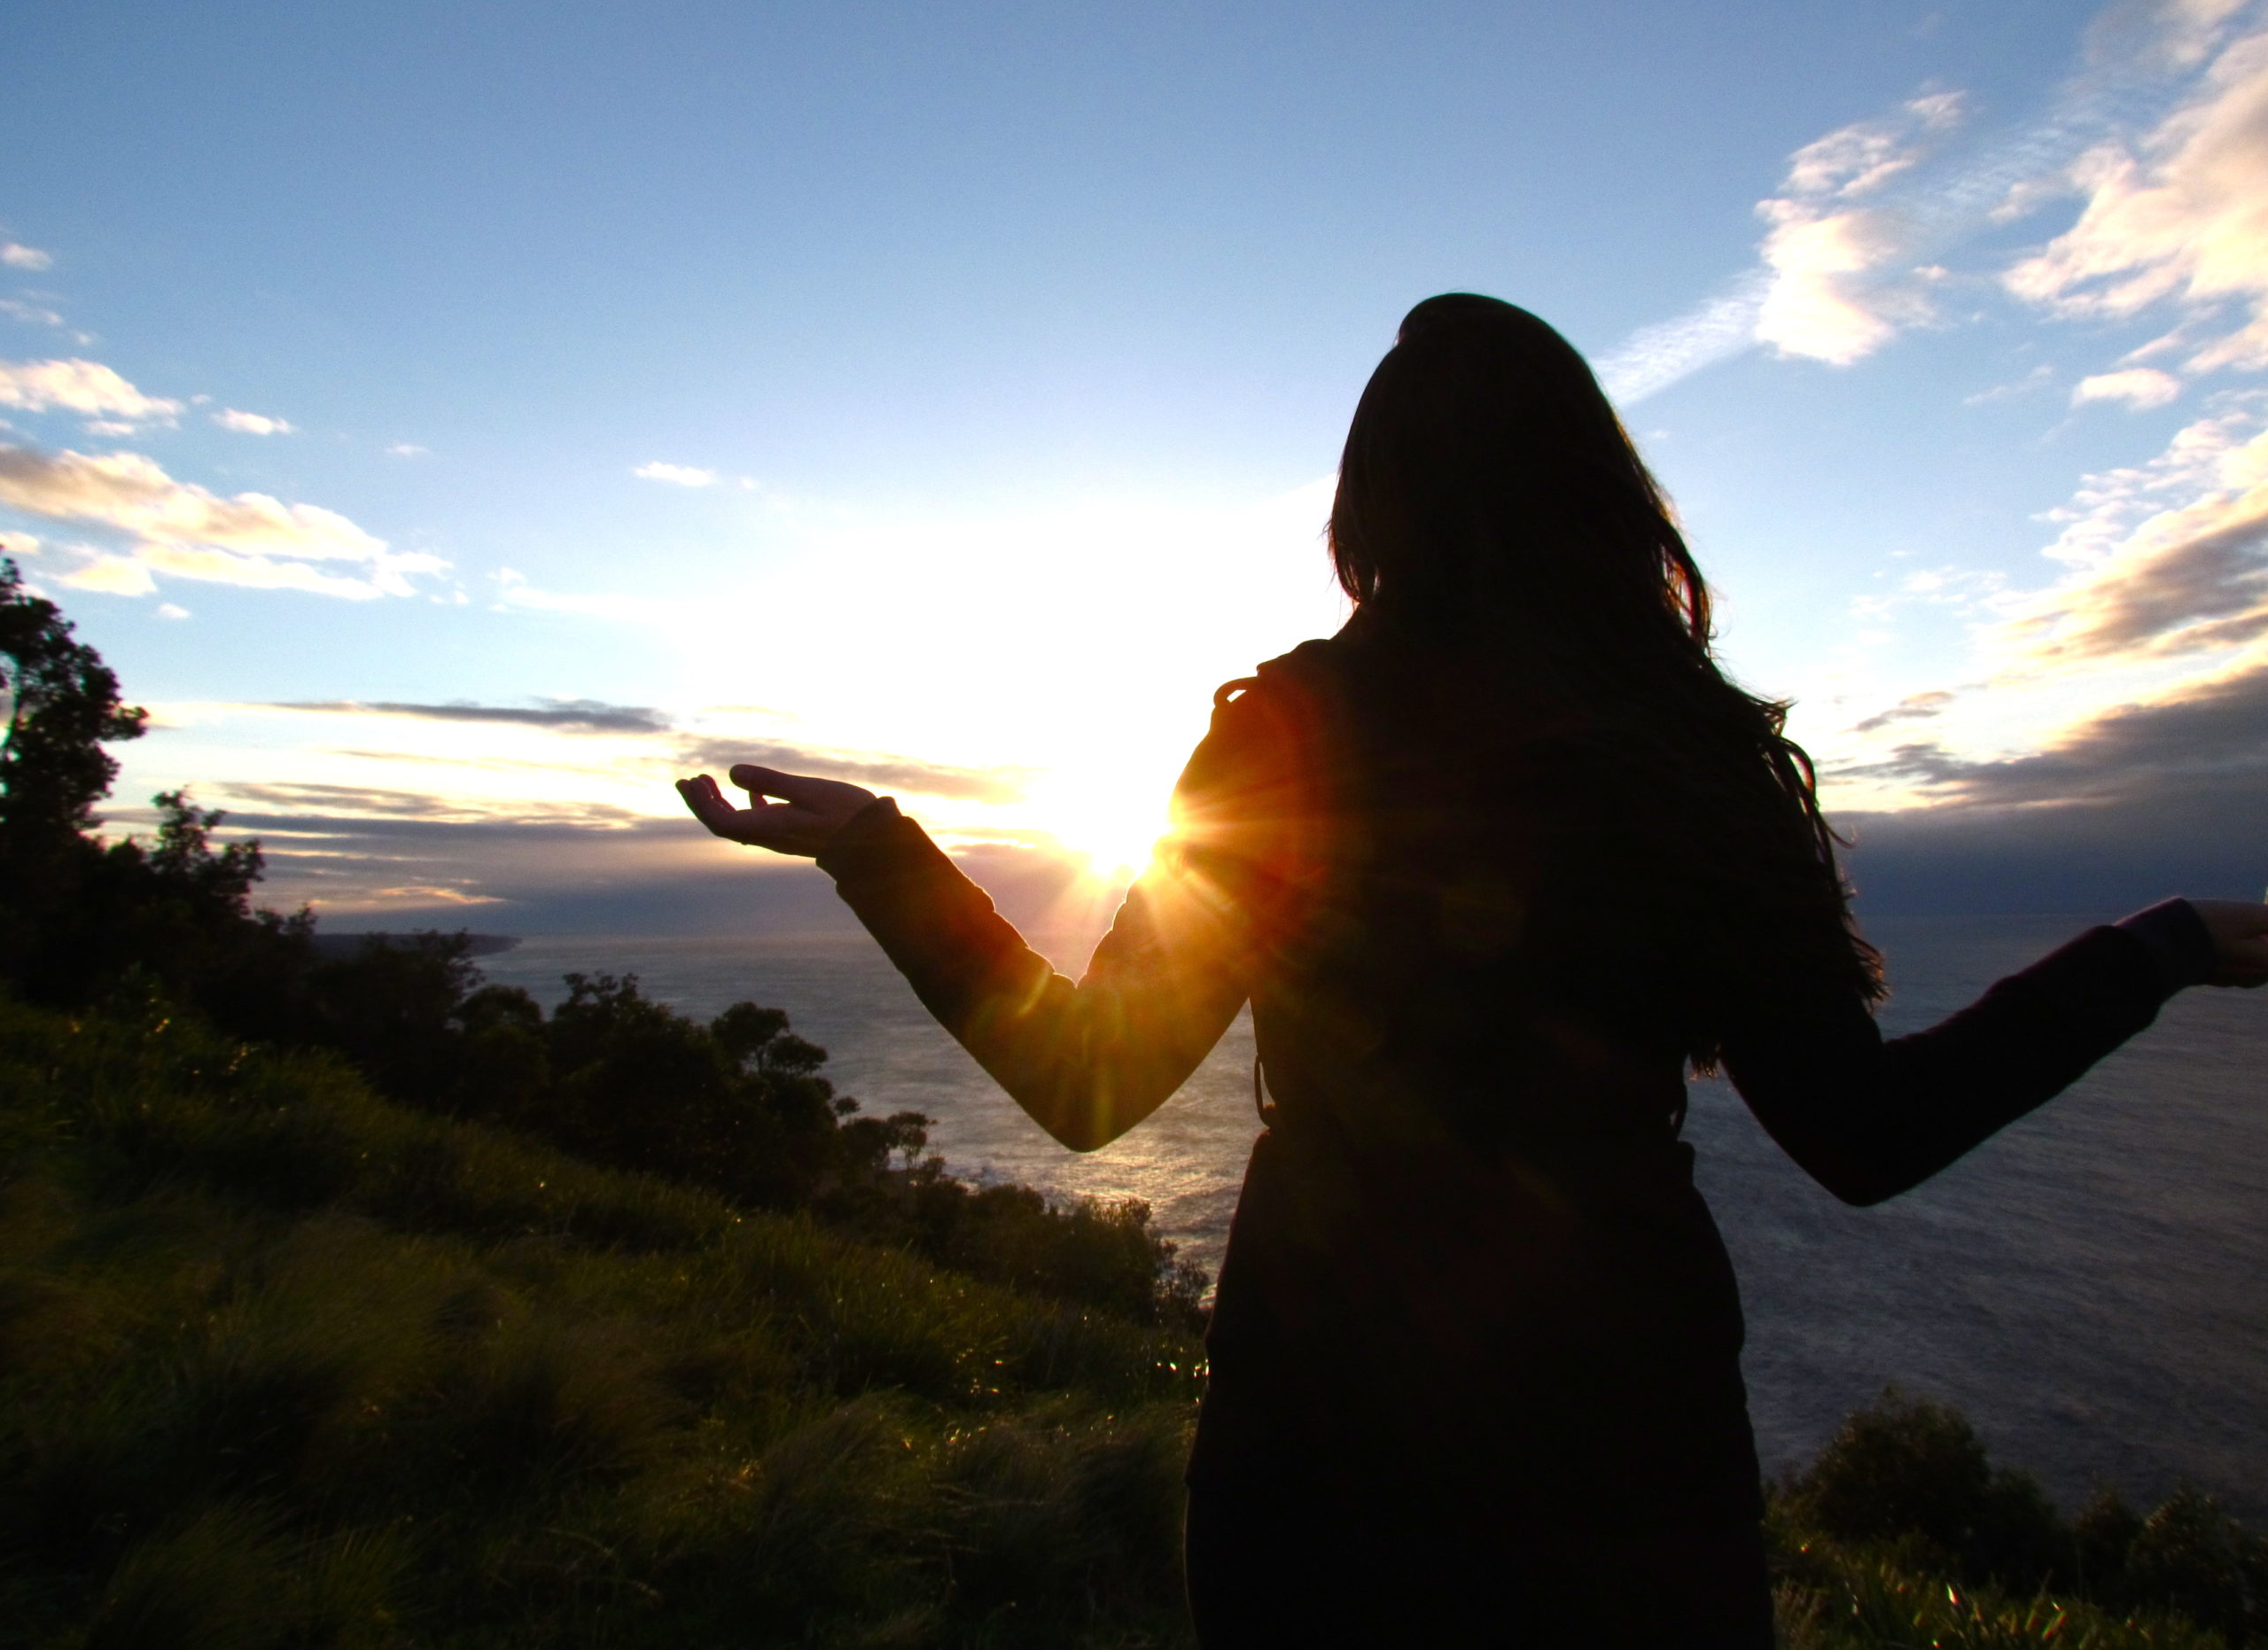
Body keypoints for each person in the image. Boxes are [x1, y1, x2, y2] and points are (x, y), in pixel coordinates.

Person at [677, 293, 2268, 1646]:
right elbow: (1868, 1135)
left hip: (1320, 1416)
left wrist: (879, 852)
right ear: (1603, 498)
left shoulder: (1287, 738)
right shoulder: (1686, 754)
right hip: (1618, 1424)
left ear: (1368, 511)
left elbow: (1091, 1080)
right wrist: (2161, 947)